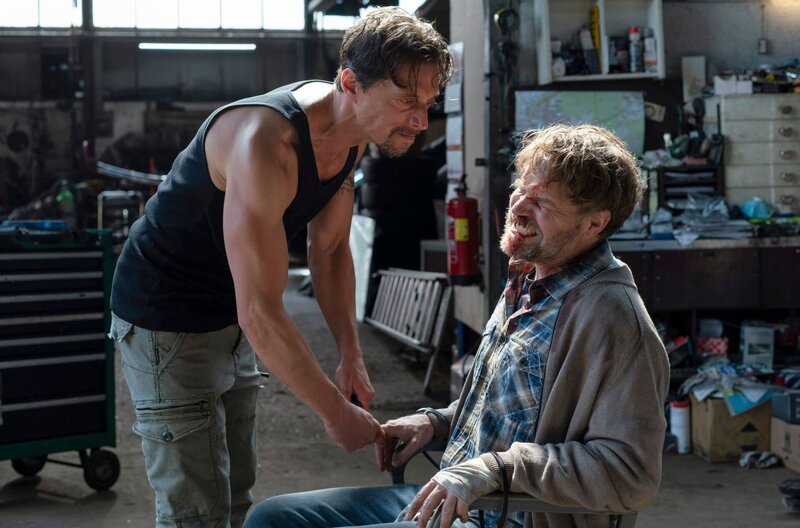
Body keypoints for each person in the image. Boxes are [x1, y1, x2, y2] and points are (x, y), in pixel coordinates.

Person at [107, 7, 453, 528]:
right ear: (350, 83)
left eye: (428, 103)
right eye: (407, 101)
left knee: (237, 488)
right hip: (164, 316)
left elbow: (331, 248)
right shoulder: (265, 144)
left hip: (229, 314)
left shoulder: (352, 132)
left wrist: (350, 351)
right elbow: (262, 313)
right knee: (195, 510)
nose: (421, 121)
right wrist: (335, 413)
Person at [244, 124, 671, 528]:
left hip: (505, 516)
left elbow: (629, 474)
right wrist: (436, 423)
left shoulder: (613, 317)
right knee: (272, 518)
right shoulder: (529, 277)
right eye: (521, 190)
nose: (518, 208)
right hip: (455, 500)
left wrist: (494, 469)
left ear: (594, 222)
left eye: (541, 203)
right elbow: (510, 412)